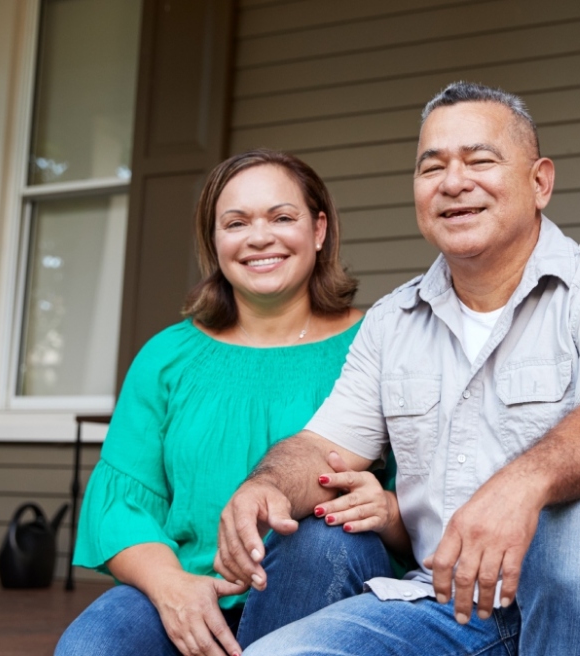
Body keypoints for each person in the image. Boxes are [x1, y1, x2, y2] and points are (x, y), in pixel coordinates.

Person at [216, 82, 580, 656]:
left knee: (577, 526)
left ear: (540, 182)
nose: (453, 182)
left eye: (480, 160)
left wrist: (523, 485)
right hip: (448, 608)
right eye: (432, 167)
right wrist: (264, 486)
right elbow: (324, 448)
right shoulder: (393, 321)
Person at [56, 149, 409, 656]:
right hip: (191, 586)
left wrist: (389, 510)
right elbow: (122, 507)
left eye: (282, 217)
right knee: (91, 645)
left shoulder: (379, 343)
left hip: (326, 592)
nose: (259, 237)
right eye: (236, 222)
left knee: (327, 542)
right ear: (214, 242)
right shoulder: (167, 358)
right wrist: (172, 587)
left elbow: (425, 508)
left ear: (319, 229)